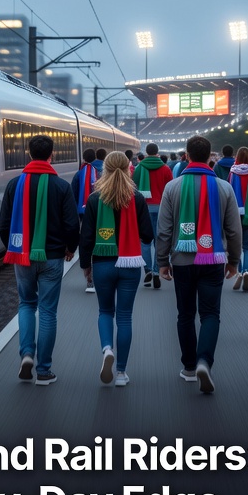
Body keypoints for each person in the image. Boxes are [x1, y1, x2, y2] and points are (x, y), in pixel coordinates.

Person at [156, 135, 241, 394]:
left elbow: (164, 230)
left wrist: (162, 262)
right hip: (213, 259)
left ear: (188, 155)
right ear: (209, 156)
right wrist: (233, 260)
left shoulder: (172, 187)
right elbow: (234, 230)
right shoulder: (224, 188)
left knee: (185, 314)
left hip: (182, 261)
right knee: (210, 313)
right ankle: (205, 361)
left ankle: (190, 367)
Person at [0, 134, 78, 386]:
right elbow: (71, 224)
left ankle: (26, 355)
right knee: (47, 311)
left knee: (26, 304)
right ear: (51, 155)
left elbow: (3, 224)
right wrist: (70, 248)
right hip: (52, 257)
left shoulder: (14, 185)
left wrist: (15, 248)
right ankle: (44, 371)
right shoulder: (61, 186)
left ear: (29, 154)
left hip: (22, 258)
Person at [79, 151, 152, 388]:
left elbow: (86, 237)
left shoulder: (94, 198)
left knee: (105, 311)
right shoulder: (137, 198)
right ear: (128, 168)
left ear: (105, 169)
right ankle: (121, 372)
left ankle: (107, 349)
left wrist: (85, 265)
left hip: (103, 263)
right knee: (124, 317)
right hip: (129, 264)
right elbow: (148, 235)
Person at [133, 143, 174, 289]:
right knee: (159, 241)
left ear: (146, 152)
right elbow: (170, 189)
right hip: (162, 208)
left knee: (145, 241)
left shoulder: (139, 168)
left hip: (144, 209)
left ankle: (148, 270)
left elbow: (133, 188)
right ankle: (157, 271)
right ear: (157, 152)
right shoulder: (165, 168)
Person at [226, 146, 248, 292]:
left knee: (236, 247)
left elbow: (228, 192)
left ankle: (239, 272)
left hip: (235, 214)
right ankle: (247, 271)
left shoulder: (233, 172)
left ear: (237, 157)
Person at [70, 148, 101, 294]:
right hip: (100, 213)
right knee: (98, 241)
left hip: (83, 212)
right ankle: (97, 274)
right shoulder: (101, 172)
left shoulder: (79, 173)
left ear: (83, 158)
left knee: (86, 241)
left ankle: (89, 278)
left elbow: (73, 194)